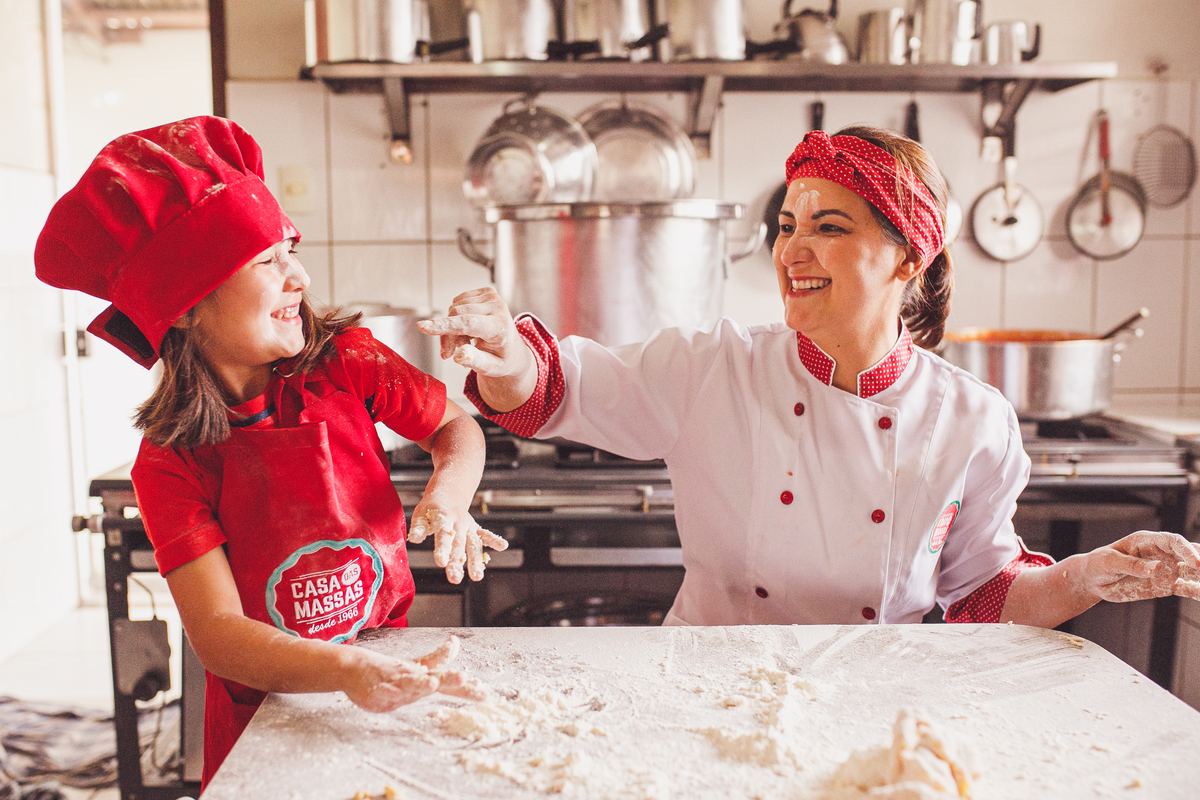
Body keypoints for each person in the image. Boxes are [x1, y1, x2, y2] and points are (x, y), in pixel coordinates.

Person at [420, 125, 1200, 630]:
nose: (793, 252)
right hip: (705, 691)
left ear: (907, 258)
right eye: (788, 227)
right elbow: (563, 389)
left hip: (875, 698)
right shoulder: (715, 367)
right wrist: (509, 353)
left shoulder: (973, 419)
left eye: (830, 229)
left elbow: (983, 595)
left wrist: (1090, 575)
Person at [34, 116, 507, 787]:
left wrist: (449, 499)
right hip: (267, 715)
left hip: (388, 674)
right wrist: (345, 673)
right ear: (189, 304)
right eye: (268, 260)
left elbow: (455, 429)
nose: (301, 277)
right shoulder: (171, 460)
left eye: (291, 249)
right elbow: (220, 633)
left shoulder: (349, 361)